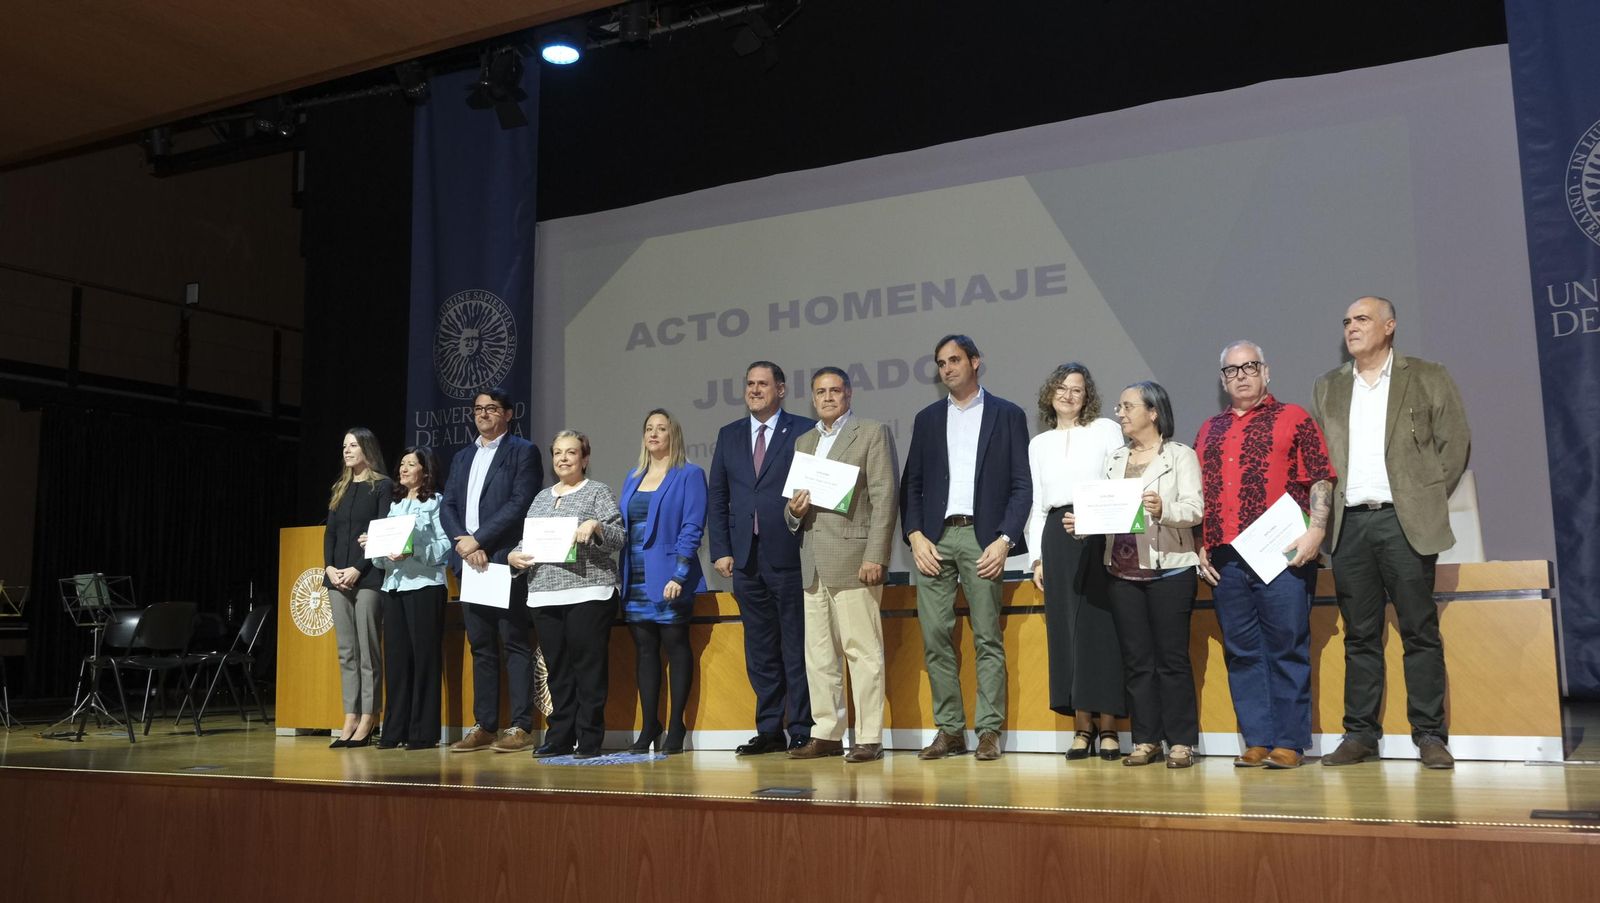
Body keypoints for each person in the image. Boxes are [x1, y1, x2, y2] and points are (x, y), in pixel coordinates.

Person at [1311, 296, 1471, 769]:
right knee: (1359, 635)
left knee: (1419, 630)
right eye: (1346, 321)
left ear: (1389, 326)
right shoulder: (1328, 387)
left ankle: (1429, 735)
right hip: (1351, 524)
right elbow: (1320, 461)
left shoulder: (1427, 376)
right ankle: (1360, 734)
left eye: (1361, 319)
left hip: (1405, 522)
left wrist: (1423, 498)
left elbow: (1455, 445)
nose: (1351, 328)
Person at [1194, 342, 1335, 770]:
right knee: (1242, 651)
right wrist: (1200, 544)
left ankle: (1290, 742)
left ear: (1266, 372)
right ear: (1222, 380)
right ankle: (1257, 739)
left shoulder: (1294, 418)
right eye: (1231, 370)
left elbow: (1321, 478)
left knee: (1287, 646)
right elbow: (1201, 494)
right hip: (1226, 558)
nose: (1241, 375)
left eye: (1249, 366)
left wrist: (1317, 531)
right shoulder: (1208, 430)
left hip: (1282, 553)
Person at [902, 334, 1032, 762]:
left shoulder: (1007, 415)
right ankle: (950, 731)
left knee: (987, 637)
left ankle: (989, 731)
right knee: (936, 636)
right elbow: (912, 485)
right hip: (935, 541)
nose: (947, 368)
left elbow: (1020, 486)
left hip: (984, 540)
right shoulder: (926, 419)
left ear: (976, 361)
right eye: (941, 363)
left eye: (955, 360)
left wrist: (1005, 540)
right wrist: (916, 536)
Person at [784, 368, 898, 763]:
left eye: (835, 390)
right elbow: (794, 505)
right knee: (818, 656)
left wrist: (876, 555)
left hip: (854, 559)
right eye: (820, 392)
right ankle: (828, 733)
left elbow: (885, 498)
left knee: (862, 651)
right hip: (812, 562)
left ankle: (869, 737)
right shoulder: (805, 440)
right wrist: (794, 512)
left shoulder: (871, 432)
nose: (828, 397)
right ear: (812, 398)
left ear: (848, 394)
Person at [708, 361, 817, 755]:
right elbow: (718, 496)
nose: (755, 390)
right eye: (750, 384)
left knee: (795, 645)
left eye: (763, 384)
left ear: (781, 390)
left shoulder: (803, 430)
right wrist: (720, 548)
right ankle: (770, 729)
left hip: (791, 553)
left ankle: (802, 727)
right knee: (760, 649)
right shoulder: (730, 434)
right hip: (745, 560)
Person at [1094, 382, 1202, 768]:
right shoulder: (1113, 460)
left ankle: (1181, 741)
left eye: (1127, 407)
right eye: (1119, 406)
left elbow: (1195, 510)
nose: (1120, 413)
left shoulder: (1180, 456)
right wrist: (1082, 523)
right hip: (1122, 572)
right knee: (1137, 661)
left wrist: (1163, 508)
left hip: (1169, 570)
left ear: (1153, 412)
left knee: (1172, 660)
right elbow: (1105, 512)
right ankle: (1145, 739)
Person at [1025, 363, 1127, 761]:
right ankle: (1081, 728)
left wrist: (1100, 519)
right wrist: (1036, 559)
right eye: (1062, 388)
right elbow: (1036, 504)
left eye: (1078, 390)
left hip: (1098, 527)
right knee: (1066, 633)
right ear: (1050, 393)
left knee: (1101, 631)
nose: (1069, 395)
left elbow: (1118, 481)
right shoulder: (1039, 444)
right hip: (1056, 533)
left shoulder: (1104, 429)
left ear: (1089, 397)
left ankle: (1110, 728)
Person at [439, 388, 543, 754]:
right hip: (469, 564)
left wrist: (479, 540)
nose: (483, 414)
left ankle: (520, 726)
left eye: (491, 408)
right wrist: (462, 542)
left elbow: (520, 504)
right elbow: (447, 503)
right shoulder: (463, 456)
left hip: (502, 560)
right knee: (481, 646)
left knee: (513, 642)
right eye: (478, 409)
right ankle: (484, 725)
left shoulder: (523, 451)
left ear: (509, 414)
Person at [510, 430, 624, 760]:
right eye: (557, 452)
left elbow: (619, 537)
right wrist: (513, 557)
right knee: (557, 670)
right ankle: (560, 735)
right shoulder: (541, 498)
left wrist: (596, 527)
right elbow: (528, 541)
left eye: (570, 452)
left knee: (588, 668)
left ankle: (589, 737)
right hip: (545, 594)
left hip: (589, 591)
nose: (562, 458)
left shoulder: (597, 492)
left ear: (584, 459)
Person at [618, 409, 707, 754]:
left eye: (662, 429)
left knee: (676, 647)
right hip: (635, 576)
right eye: (649, 429)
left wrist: (680, 574)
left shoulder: (689, 475)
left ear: (674, 435)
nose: (654, 434)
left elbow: (692, 526)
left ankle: (675, 727)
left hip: (671, 577)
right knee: (644, 652)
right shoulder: (633, 476)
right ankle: (650, 724)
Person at [371, 446, 451, 751]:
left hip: (425, 586)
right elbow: (381, 561)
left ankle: (422, 732)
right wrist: (374, 547)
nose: (403, 469)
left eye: (410, 464)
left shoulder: (437, 503)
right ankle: (393, 730)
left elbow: (445, 546)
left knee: (424, 659)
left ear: (425, 471)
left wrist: (414, 549)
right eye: (401, 464)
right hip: (394, 586)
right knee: (396, 660)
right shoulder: (392, 506)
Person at [323, 427, 391, 748]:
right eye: (344, 445)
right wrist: (330, 568)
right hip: (337, 578)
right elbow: (331, 535)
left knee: (368, 651)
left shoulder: (382, 487)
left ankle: (369, 716)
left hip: (367, 578)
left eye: (353, 445)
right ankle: (350, 714)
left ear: (367, 448)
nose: (347, 450)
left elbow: (380, 533)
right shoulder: (340, 487)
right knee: (346, 652)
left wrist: (357, 568)